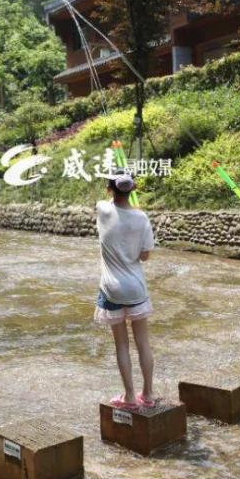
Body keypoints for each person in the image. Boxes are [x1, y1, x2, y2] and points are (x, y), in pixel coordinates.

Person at [95, 173, 156, 410]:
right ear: (134, 189)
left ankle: (129, 396)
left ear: (109, 189)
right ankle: (148, 394)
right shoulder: (141, 218)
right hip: (136, 287)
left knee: (122, 345)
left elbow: (105, 202)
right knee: (143, 343)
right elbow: (145, 256)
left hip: (111, 289)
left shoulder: (102, 210)